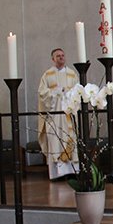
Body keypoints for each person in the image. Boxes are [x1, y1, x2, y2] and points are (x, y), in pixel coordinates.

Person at [38, 48, 79, 181]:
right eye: (58, 56)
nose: (61, 57)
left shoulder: (72, 74)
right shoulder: (47, 75)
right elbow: (42, 94)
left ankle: (72, 172)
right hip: (55, 117)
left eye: (62, 55)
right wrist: (56, 92)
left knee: (70, 138)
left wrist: (69, 94)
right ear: (53, 59)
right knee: (55, 140)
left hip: (68, 115)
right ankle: (57, 174)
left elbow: (78, 92)